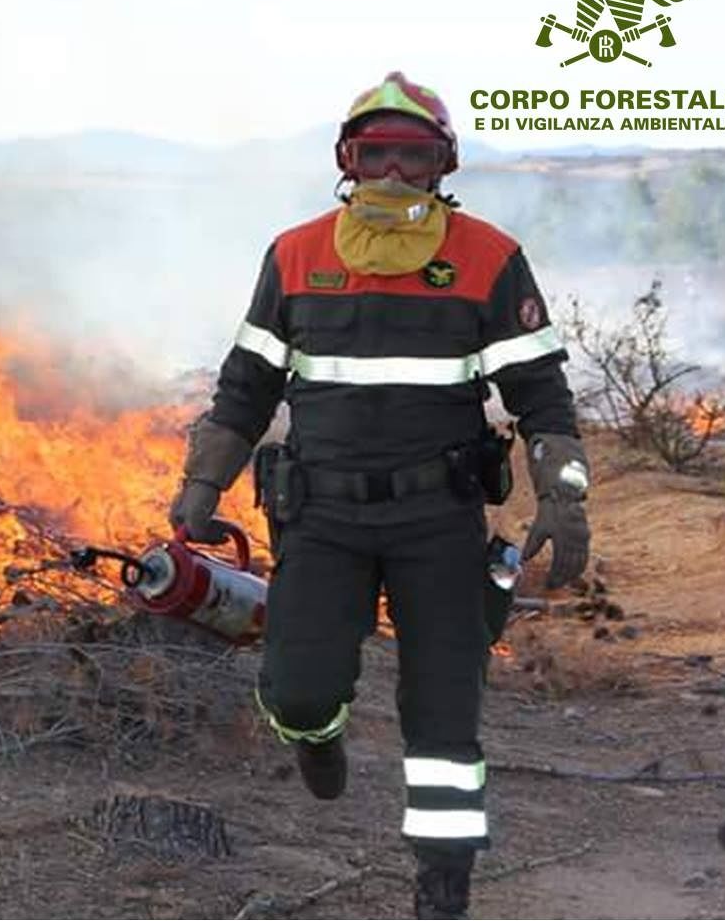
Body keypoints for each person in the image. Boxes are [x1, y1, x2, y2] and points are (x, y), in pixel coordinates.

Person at [169, 72, 591, 919]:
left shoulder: (488, 258)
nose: (393, 174)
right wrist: (202, 482)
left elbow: (542, 396)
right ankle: (317, 738)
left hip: (439, 522)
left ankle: (443, 887)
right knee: (298, 690)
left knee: (444, 723)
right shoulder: (295, 256)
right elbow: (246, 385)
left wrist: (565, 496)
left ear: (444, 166)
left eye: (413, 157)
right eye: (375, 156)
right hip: (321, 518)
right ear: (346, 162)